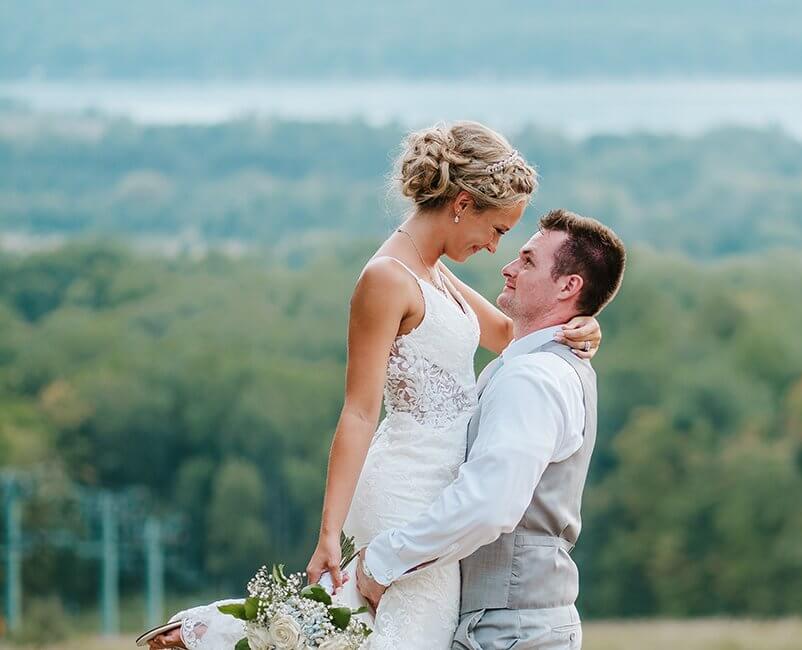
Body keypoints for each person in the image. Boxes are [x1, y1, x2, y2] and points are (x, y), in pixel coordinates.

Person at [146, 122, 602, 650]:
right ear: (461, 203)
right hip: (408, 488)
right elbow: (359, 412)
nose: (493, 248)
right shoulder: (386, 278)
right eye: (498, 229)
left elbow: (508, 335)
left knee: (378, 632)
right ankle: (220, 636)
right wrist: (327, 534)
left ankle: (237, 632)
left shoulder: (433, 271)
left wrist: (584, 324)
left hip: (443, 493)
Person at [355, 209, 626, 649]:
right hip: (511, 623)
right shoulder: (538, 365)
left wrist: (383, 562)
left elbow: (488, 505)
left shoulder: (532, 378)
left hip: (512, 629)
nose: (508, 266)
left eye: (528, 260)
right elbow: (419, 271)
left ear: (568, 286)